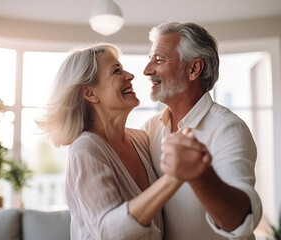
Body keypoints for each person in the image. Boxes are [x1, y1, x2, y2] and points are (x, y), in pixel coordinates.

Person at [37, 43, 207, 239]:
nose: (130, 75)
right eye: (116, 71)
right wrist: (173, 179)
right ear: (90, 93)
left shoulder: (141, 140)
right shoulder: (85, 149)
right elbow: (108, 232)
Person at [142, 22, 263, 239]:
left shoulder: (228, 128)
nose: (147, 70)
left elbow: (239, 221)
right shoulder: (149, 129)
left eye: (159, 60)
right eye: (150, 59)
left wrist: (200, 175)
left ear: (194, 69)